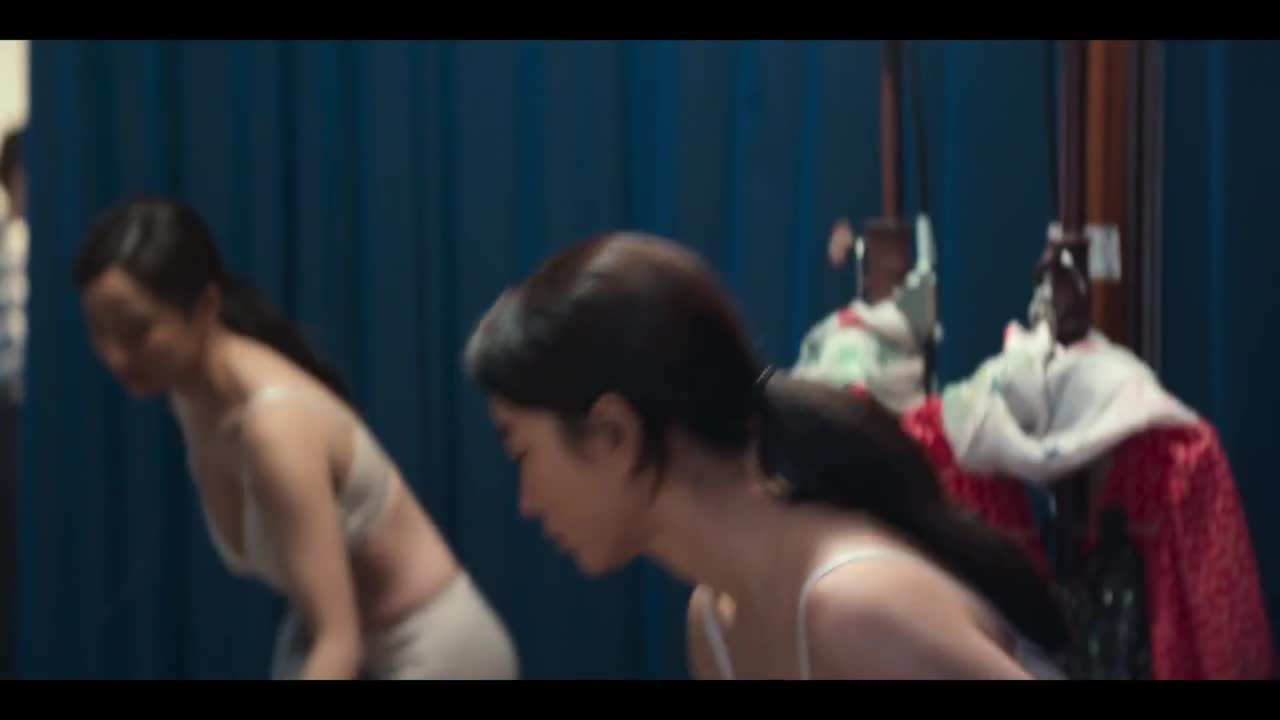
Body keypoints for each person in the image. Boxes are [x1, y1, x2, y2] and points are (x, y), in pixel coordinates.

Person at [464, 232, 1070, 680]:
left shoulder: (857, 610)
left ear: (613, 435)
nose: (526, 503)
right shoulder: (715, 624)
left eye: (522, 455)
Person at [73, 197, 519, 680]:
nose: (116, 356)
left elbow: (339, 643)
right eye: (99, 333)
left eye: (136, 331)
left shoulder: (275, 429)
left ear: (205, 307)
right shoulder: (188, 396)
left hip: (433, 654)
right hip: (350, 648)